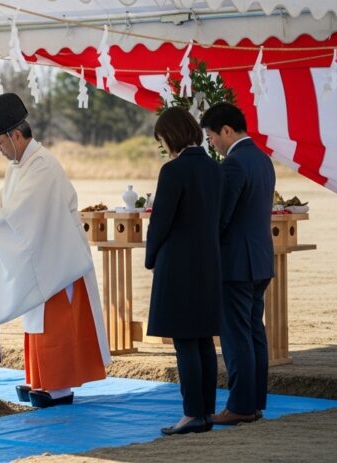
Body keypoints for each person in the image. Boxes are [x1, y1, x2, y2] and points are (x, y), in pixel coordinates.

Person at [0, 92, 109, 408]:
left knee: (55, 323)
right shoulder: (20, 165)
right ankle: (43, 380)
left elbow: (20, 213)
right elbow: (6, 207)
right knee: (38, 320)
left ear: (16, 135)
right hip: (42, 257)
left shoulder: (41, 165)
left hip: (58, 259)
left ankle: (57, 387)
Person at [145, 107, 223, 435]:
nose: (164, 146)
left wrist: (151, 257)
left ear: (172, 135)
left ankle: (192, 414)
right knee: (203, 338)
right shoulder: (214, 168)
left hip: (178, 264)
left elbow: (160, 221)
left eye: (163, 139)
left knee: (185, 342)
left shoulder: (173, 171)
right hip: (208, 261)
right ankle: (205, 412)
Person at [201, 101, 276, 425]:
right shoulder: (263, 159)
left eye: (212, 136)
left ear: (227, 131)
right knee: (254, 332)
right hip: (260, 260)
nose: (212, 144)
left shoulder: (233, 164)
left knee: (236, 337)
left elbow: (222, 217)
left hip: (236, 264)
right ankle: (255, 402)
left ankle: (241, 406)